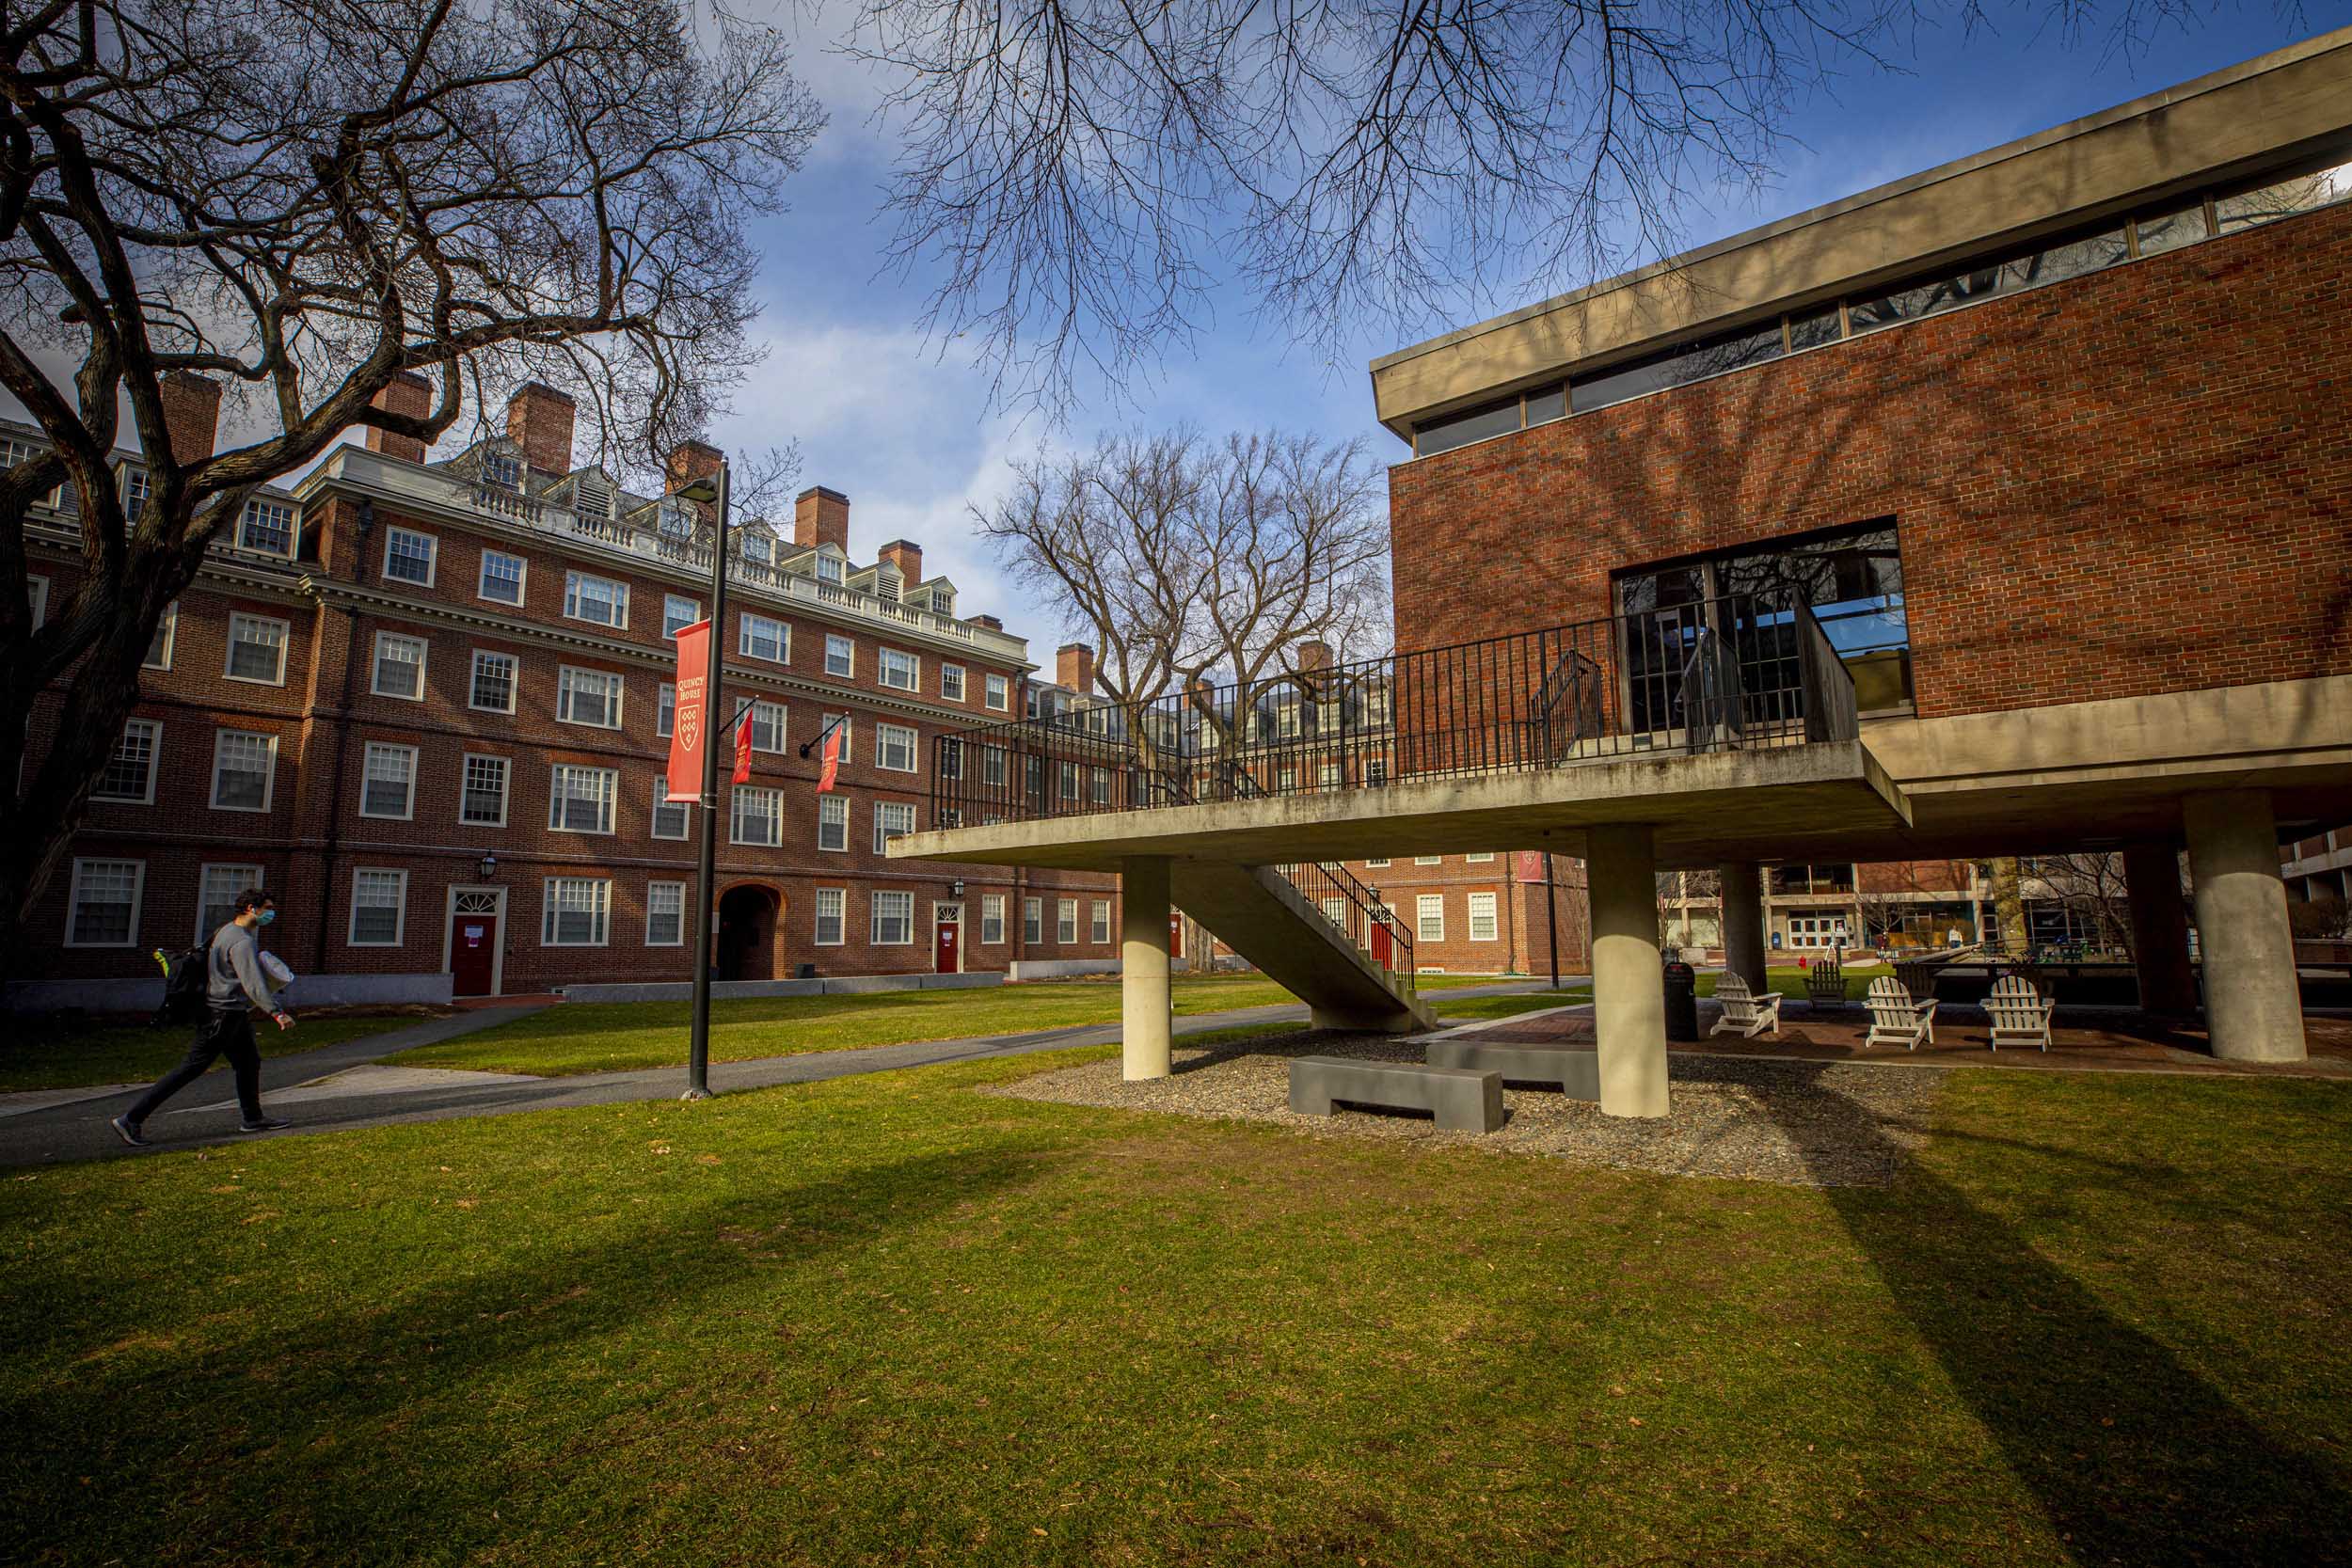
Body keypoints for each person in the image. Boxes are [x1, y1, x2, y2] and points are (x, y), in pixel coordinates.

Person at [111, 889, 295, 1147]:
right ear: (252, 909)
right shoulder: (241, 941)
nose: (271, 913)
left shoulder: (226, 931)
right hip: (223, 1014)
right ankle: (131, 1119)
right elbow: (252, 982)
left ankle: (253, 1118)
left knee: (248, 1062)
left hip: (232, 1013)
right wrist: (278, 1012)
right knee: (192, 1067)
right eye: (267, 908)